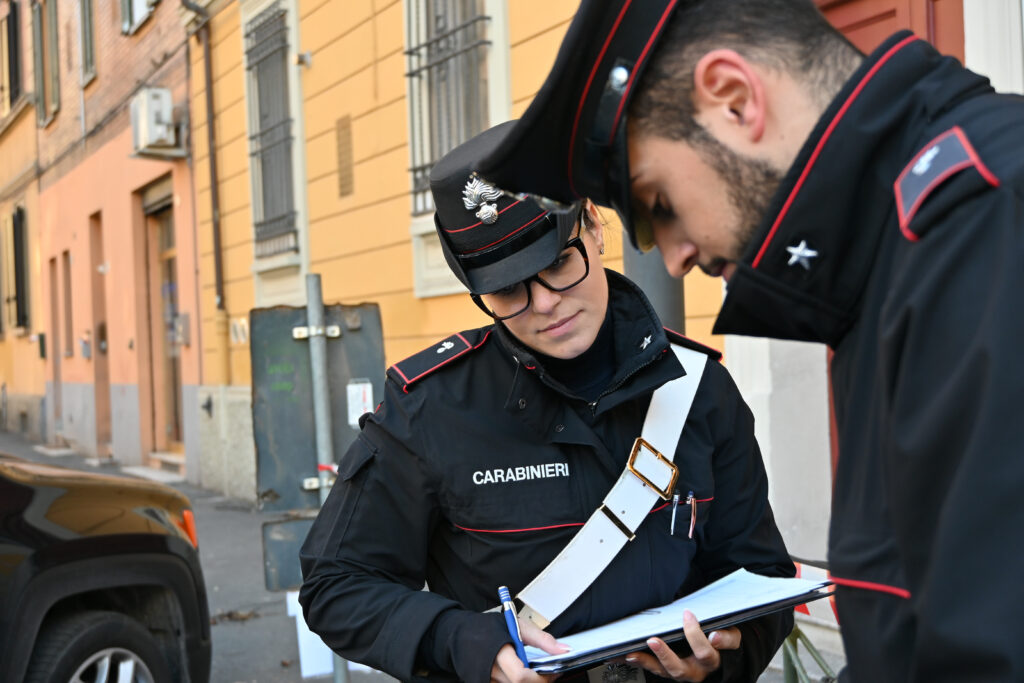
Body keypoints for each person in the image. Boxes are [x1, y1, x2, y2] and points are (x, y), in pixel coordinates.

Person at [475, 1, 1024, 682]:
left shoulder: (982, 222)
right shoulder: (899, 255)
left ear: (733, 98)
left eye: (659, 205)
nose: (672, 258)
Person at [299, 121, 794, 683]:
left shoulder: (698, 387)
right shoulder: (428, 407)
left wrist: (724, 660)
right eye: (509, 290)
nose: (545, 305)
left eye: (559, 263)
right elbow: (336, 585)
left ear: (595, 226)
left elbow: (761, 576)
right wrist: (463, 641)